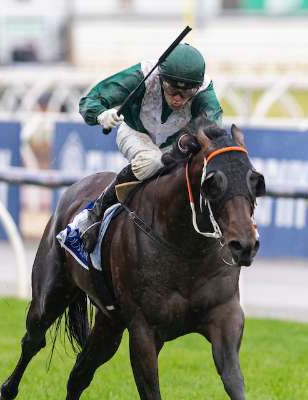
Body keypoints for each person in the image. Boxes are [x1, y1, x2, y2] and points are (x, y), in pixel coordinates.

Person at [78, 43, 223, 251]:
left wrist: (191, 139)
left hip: (174, 146)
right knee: (153, 160)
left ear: (197, 87)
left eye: (187, 92)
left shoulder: (204, 92)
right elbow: (89, 100)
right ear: (161, 79)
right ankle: (96, 212)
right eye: (172, 89)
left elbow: (212, 128)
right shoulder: (141, 76)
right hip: (135, 132)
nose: (178, 98)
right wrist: (101, 115)